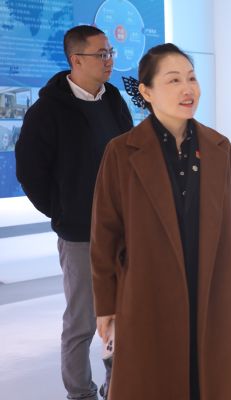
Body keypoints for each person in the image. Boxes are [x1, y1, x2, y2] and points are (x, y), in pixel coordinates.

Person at [91, 43, 231, 400]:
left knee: (208, 383)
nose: (187, 89)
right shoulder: (121, 152)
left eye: (192, 78)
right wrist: (106, 304)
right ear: (147, 91)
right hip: (148, 294)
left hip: (214, 291)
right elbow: (105, 235)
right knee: (154, 383)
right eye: (174, 80)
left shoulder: (219, 148)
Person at [14, 25, 133, 400]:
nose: (109, 60)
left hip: (123, 230)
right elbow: (30, 172)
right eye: (101, 54)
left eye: (110, 52)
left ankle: (117, 386)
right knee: (82, 321)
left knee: (123, 316)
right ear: (76, 60)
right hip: (80, 234)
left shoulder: (113, 100)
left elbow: (130, 155)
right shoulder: (48, 110)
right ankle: (80, 393)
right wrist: (63, 211)